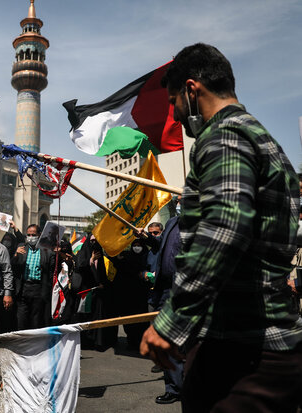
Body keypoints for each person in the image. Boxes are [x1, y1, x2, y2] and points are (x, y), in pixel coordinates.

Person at [140, 43, 302, 413]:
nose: (174, 113)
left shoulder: (224, 136)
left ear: (192, 90)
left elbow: (224, 230)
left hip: (242, 355)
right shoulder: (265, 141)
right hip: (262, 348)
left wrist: (170, 322)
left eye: (173, 101)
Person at [137, 203, 184, 404]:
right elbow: (159, 246)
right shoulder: (172, 222)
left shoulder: (200, 224)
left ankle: (186, 385)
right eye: (178, 200)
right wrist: (145, 237)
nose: (179, 204)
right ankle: (173, 388)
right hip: (164, 291)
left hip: (183, 291)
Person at [12, 224, 55, 330]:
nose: (31, 237)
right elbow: (13, 267)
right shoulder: (22, 249)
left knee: (35, 320)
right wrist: (16, 256)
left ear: (39, 235)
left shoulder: (46, 252)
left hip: (38, 289)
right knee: (21, 319)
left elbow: (51, 271)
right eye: (29, 235)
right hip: (23, 288)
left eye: (33, 235)